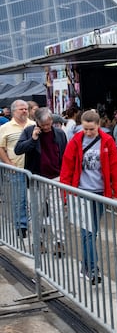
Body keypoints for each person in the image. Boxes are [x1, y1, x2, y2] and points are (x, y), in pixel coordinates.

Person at [60, 109, 117, 284]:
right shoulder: (75, 141)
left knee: (91, 232)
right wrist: (66, 196)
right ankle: (93, 269)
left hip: (100, 193)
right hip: (81, 193)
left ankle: (86, 265)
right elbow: (67, 169)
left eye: (91, 129)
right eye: (85, 129)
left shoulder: (108, 141)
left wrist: (116, 194)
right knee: (88, 232)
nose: (87, 132)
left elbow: (114, 169)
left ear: (98, 126)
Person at [15, 107, 67, 255]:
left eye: (49, 123)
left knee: (57, 212)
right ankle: (38, 242)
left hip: (56, 178)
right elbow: (18, 149)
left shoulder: (59, 133)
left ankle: (59, 243)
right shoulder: (29, 131)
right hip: (36, 178)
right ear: (37, 122)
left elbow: (65, 154)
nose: (46, 127)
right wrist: (33, 139)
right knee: (37, 212)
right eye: (43, 125)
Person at [0, 99, 35, 237]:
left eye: (26, 108)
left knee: (34, 199)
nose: (24, 111)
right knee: (19, 199)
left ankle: (35, 225)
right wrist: (8, 163)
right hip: (17, 169)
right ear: (14, 111)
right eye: (21, 109)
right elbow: (1, 147)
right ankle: (21, 226)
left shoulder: (33, 125)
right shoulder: (5, 128)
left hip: (33, 168)